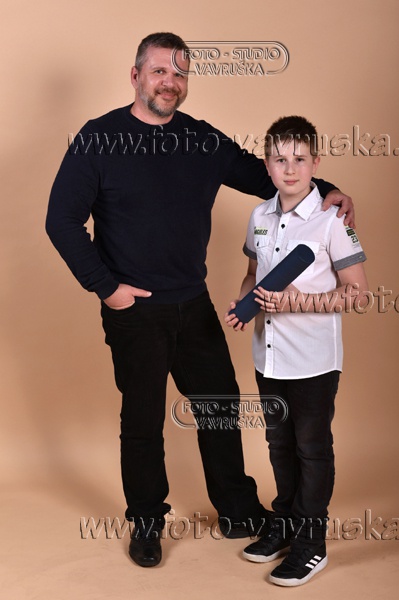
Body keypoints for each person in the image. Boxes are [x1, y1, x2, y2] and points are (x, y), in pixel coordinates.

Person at [46, 33, 355, 568]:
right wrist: (107, 288)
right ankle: (147, 522)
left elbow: (266, 174)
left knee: (220, 409)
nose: (170, 82)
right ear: (136, 76)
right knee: (142, 421)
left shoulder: (200, 140)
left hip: (193, 303)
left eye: (180, 73)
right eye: (159, 71)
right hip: (135, 310)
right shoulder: (99, 139)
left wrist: (326, 188)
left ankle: (237, 510)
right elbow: (61, 221)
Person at [225, 115, 368, 586]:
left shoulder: (333, 221)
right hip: (268, 357)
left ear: (316, 164)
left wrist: (295, 302)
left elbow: (358, 294)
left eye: (300, 159)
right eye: (280, 159)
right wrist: (243, 304)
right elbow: (253, 274)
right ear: (267, 165)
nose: (290, 169)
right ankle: (284, 525)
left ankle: (311, 544)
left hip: (313, 361)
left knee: (311, 449)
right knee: (279, 445)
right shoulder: (259, 217)